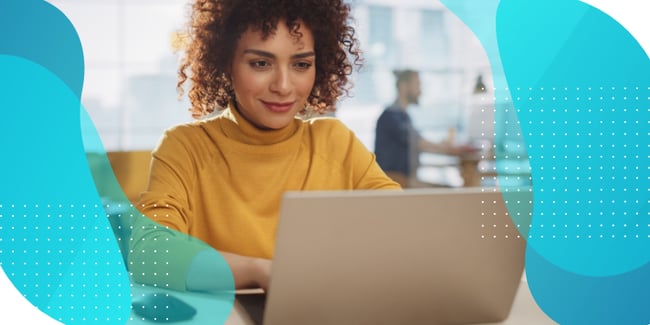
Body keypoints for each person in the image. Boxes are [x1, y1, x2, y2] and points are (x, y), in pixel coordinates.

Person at [127, 0, 400, 293]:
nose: (283, 86)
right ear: (225, 62)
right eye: (261, 63)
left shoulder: (335, 143)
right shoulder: (186, 147)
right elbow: (150, 256)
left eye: (301, 64)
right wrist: (257, 271)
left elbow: (406, 226)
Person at [374, 69, 478, 188]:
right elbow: (420, 143)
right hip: (395, 181)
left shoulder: (404, 116)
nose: (420, 90)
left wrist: (446, 147)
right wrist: (451, 149)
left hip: (406, 179)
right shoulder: (391, 116)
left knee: (449, 190)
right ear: (403, 86)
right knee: (449, 192)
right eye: (417, 84)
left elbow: (418, 142)